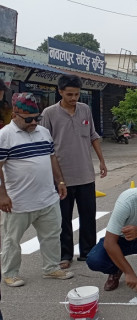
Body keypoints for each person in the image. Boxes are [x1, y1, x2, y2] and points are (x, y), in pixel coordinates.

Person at [0, 93, 74, 287]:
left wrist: (60, 182)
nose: (34, 122)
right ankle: (10, 273)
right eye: (29, 119)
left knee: (52, 235)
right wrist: (2, 195)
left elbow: (52, 157)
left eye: (37, 118)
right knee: (12, 240)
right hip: (18, 202)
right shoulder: (5, 136)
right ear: (15, 113)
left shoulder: (43, 132)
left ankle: (51, 268)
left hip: (47, 198)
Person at [40, 74, 108, 269]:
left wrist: (102, 161)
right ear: (60, 92)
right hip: (61, 177)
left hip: (85, 174)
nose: (73, 98)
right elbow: (45, 144)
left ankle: (88, 252)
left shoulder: (85, 110)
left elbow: (93, 136)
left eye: (77, 94)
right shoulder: (49, 113)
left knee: (88, 216)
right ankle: (65, 255)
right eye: (69, 94)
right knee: (63, 219)